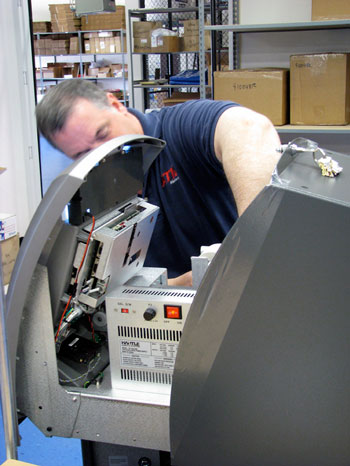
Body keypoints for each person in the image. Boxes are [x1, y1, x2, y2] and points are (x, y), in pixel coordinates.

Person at [36, 80, 281, 285]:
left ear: (115, 105)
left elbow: (250, 128)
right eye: (83, 154)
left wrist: (252, 242)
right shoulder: (89, 190)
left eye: (103, 134)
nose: (104, 154)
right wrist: (179, 285)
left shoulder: (179, 128)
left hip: (243, 290)